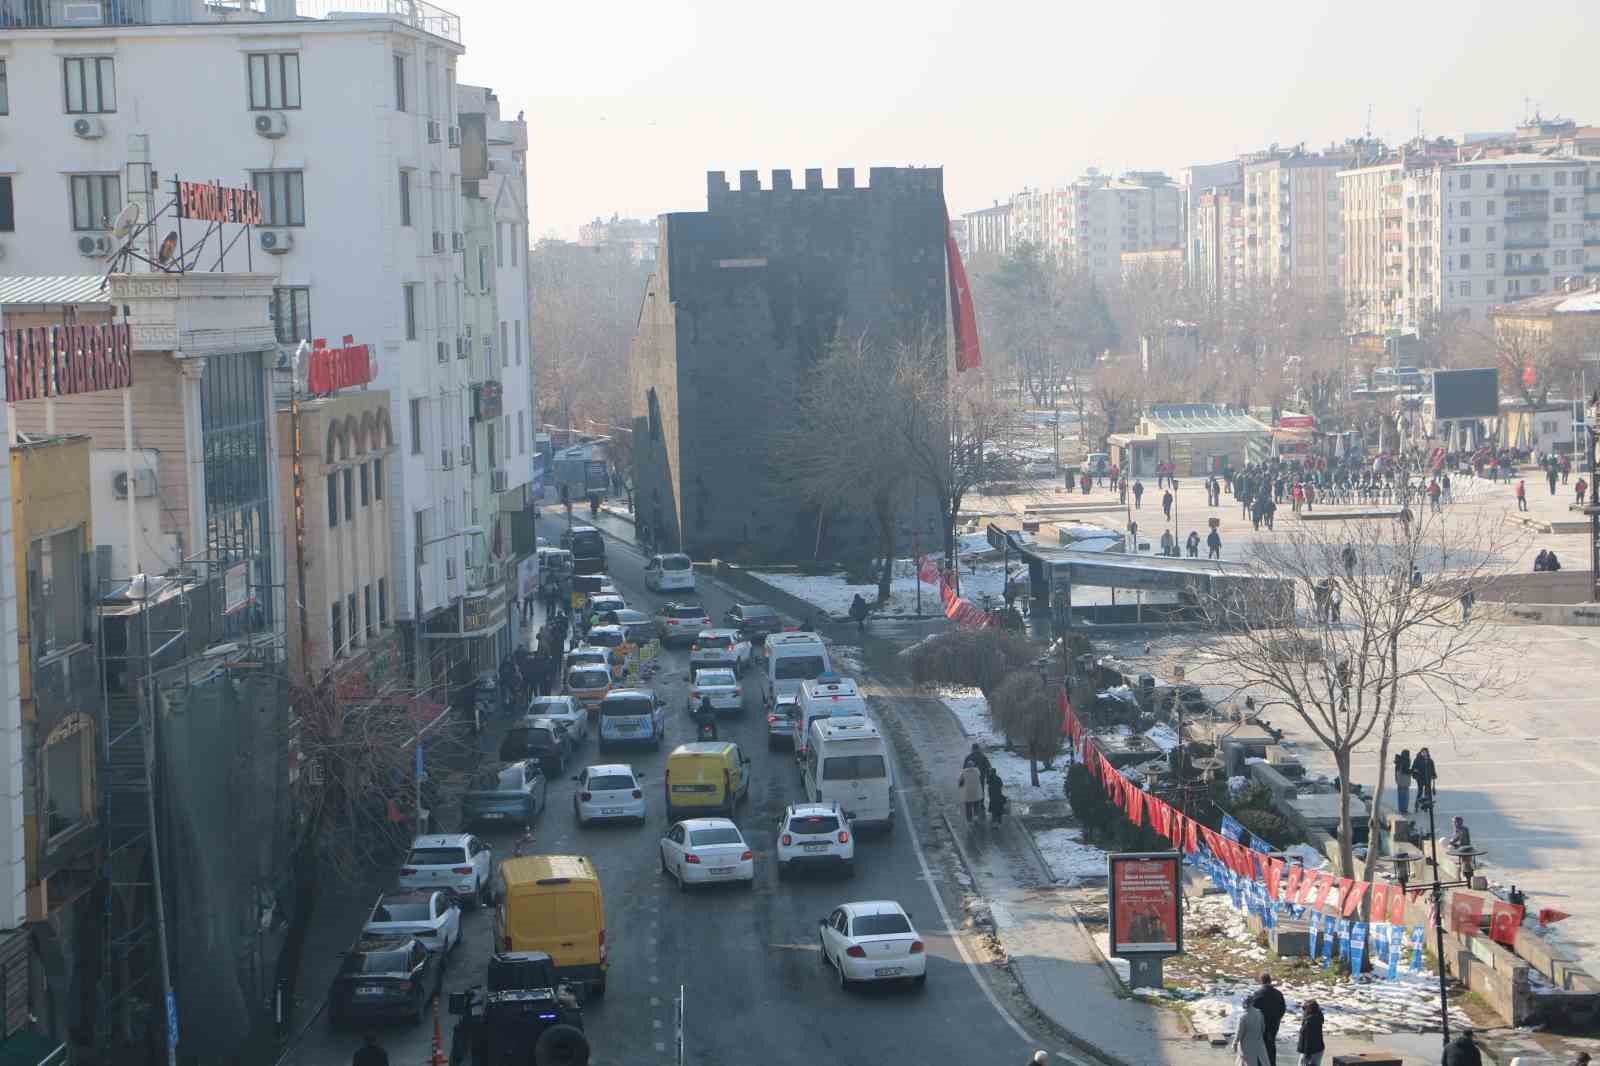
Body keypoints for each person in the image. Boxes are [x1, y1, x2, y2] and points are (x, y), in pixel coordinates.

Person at [1251, 973, 1286, 1066]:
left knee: (1260, 1047)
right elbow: (1283, 1009)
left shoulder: (1258, 994)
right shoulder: (1278, 994)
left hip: (1261, 1025)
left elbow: (1252, 1009)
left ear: (1261, 981)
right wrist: (1277, 1019)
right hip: (1274, 1024)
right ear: (1270, 981)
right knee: (1271, 1046)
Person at [1232, 994, 1271, 1066]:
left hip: (1246, 1045)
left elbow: (1239, 1032)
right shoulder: (1259, 1013)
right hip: (1259, 1043)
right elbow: (1263, 1028)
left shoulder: (1243, 1016)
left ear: (1244, 1003)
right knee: (1264, 1062)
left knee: (1245, 1062)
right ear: (1252, 1003)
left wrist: (1235, 1043)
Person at [1295, 999, 1324, 1066]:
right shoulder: (1318, 1016)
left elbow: (1307, 1039)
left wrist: (1307, 1054)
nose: (1303, 1011)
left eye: (1304, 1009)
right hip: (1318, 1049)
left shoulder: (1309, 1022)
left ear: (1309, 1010)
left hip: (1309, 1051)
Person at [964, 744, 992, 813]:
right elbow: (988, 768)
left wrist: (964, 779)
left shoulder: (968, 757)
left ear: (973, 749)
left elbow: (964, 768)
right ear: (978, 749)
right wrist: (988, 778)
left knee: (970, 790)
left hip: (970, 779)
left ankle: (971, 802)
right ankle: (981, 803)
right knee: (981, 790)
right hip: (981, 777)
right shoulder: (983, 757)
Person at [1394, 748, 1412, 814]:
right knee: (1405, 796)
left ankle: (1402, 809)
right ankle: (1404, 810)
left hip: (1401, 782)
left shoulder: (1399, 761)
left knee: (1401, 796)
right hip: (1404, 782)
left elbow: (1397, 772)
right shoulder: (1404, 762)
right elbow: (1405, 771)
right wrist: (1412, 771)